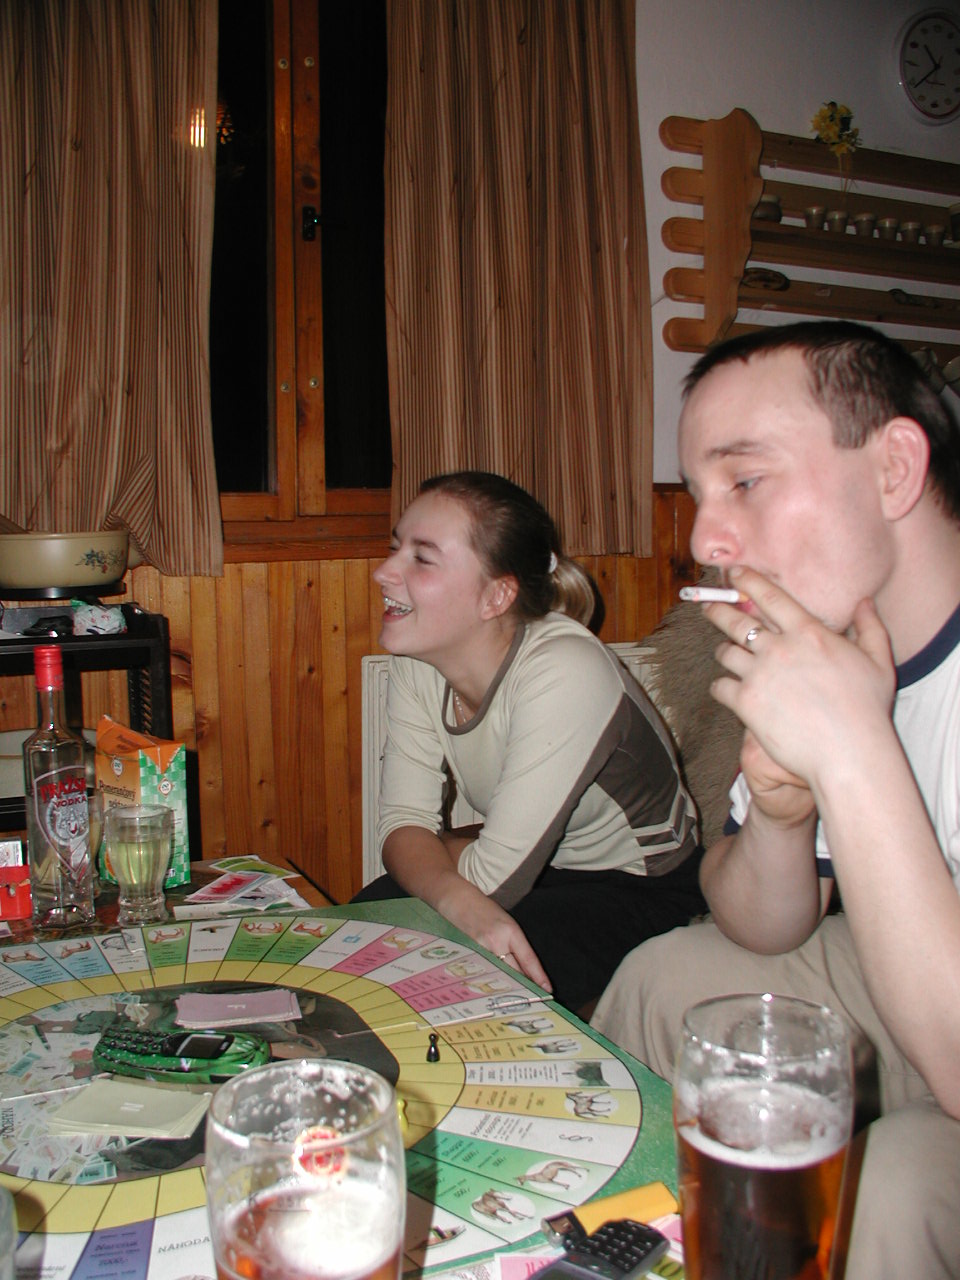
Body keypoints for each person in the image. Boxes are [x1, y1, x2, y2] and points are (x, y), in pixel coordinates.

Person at [590, 321, 960, 1278]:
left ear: (894, 470)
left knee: (892, 1181)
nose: (704, 540)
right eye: (698, 495)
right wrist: (784, 817)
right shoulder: (818, 651)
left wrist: (854, 750)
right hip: (904, 981)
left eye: (745, 481)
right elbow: (761, 925)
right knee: (661, 978)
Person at [353, 470, 705, 1012]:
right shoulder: (419, 658)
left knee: (438, 971)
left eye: (421, 558)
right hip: (543, 871)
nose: (383, 572)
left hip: (642, 888)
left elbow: (491, 881)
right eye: (395, 547)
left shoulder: (566, 671)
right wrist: (445, 878)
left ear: (496, 595)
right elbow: (402, 823)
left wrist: (442, 866)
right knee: (365, 919)